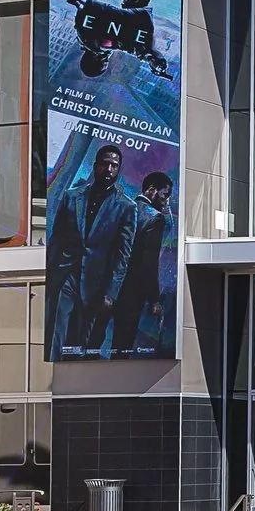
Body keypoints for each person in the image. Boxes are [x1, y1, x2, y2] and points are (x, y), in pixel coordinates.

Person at [45, 142, 138, 356]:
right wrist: (50, 274)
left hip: (97, 282)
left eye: (114, 166)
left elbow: (123, 255)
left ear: (118, 169)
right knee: (56, 332)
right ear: (96, 166)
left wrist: (111, 293)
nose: (109, 169)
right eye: (105, 164)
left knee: (82, 341)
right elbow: (57, 239)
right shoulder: (71, 196)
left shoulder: (126, 207)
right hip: (66, 274)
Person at [99, 169, 174, 356]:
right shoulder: (154, 218)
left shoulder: (121, 207)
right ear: (152, 190)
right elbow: (148, 262)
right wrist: (154, 299)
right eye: (165, 195)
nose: (166, 201)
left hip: (104, 286)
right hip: (131, 291)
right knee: (122, 346)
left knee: (92, 341)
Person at [61, 0, 173, 82]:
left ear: (95, 59)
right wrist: (77, 1)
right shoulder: (82, 38)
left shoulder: (101, 45)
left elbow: (125, 40)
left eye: (105, 61)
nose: (108, 56)